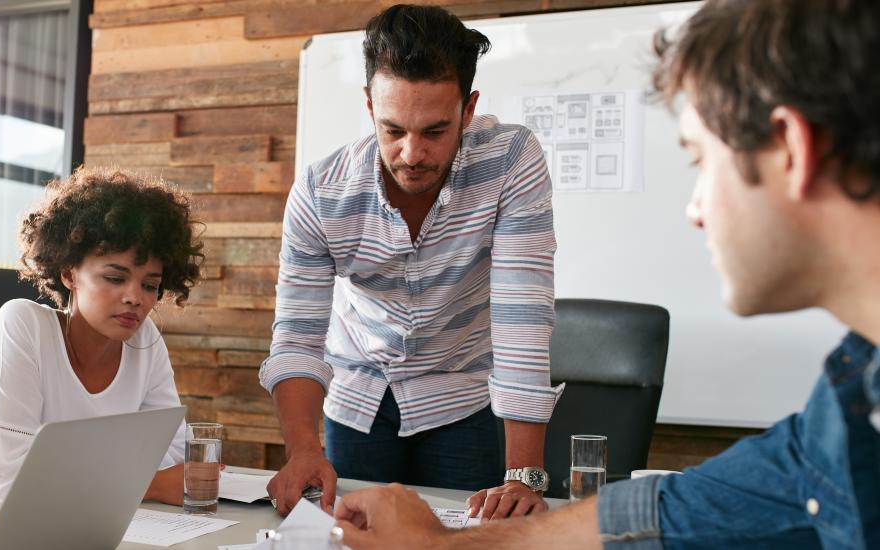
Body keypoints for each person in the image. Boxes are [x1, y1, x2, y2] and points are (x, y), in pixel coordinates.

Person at [333, 0, 880, 548]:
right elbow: (687, 509)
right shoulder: (849, 402)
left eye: (700, 160)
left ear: (792, 151)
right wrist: (443, 545)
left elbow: (521, 315)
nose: (695, 209)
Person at [261, 4, 562, 518]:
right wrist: (303, 450)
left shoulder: (511, 161)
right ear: (369, 105)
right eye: (393, 129)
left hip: (461, 396)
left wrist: (522, 476)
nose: (411, 153)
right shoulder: (320, 192)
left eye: (435, 131)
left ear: (468, 111)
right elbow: (297, 335)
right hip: (358, 398)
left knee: (467, 538)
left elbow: (522, 319)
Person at [0, 167, 204, 508]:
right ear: (69, 273)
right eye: (115, 278)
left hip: (105, 520)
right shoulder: (23, 324)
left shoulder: (145, 340)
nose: (136, 297)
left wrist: (97, 477)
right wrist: (152, 485)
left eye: (150, 285)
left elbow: (174, 452)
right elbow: (13, 476)